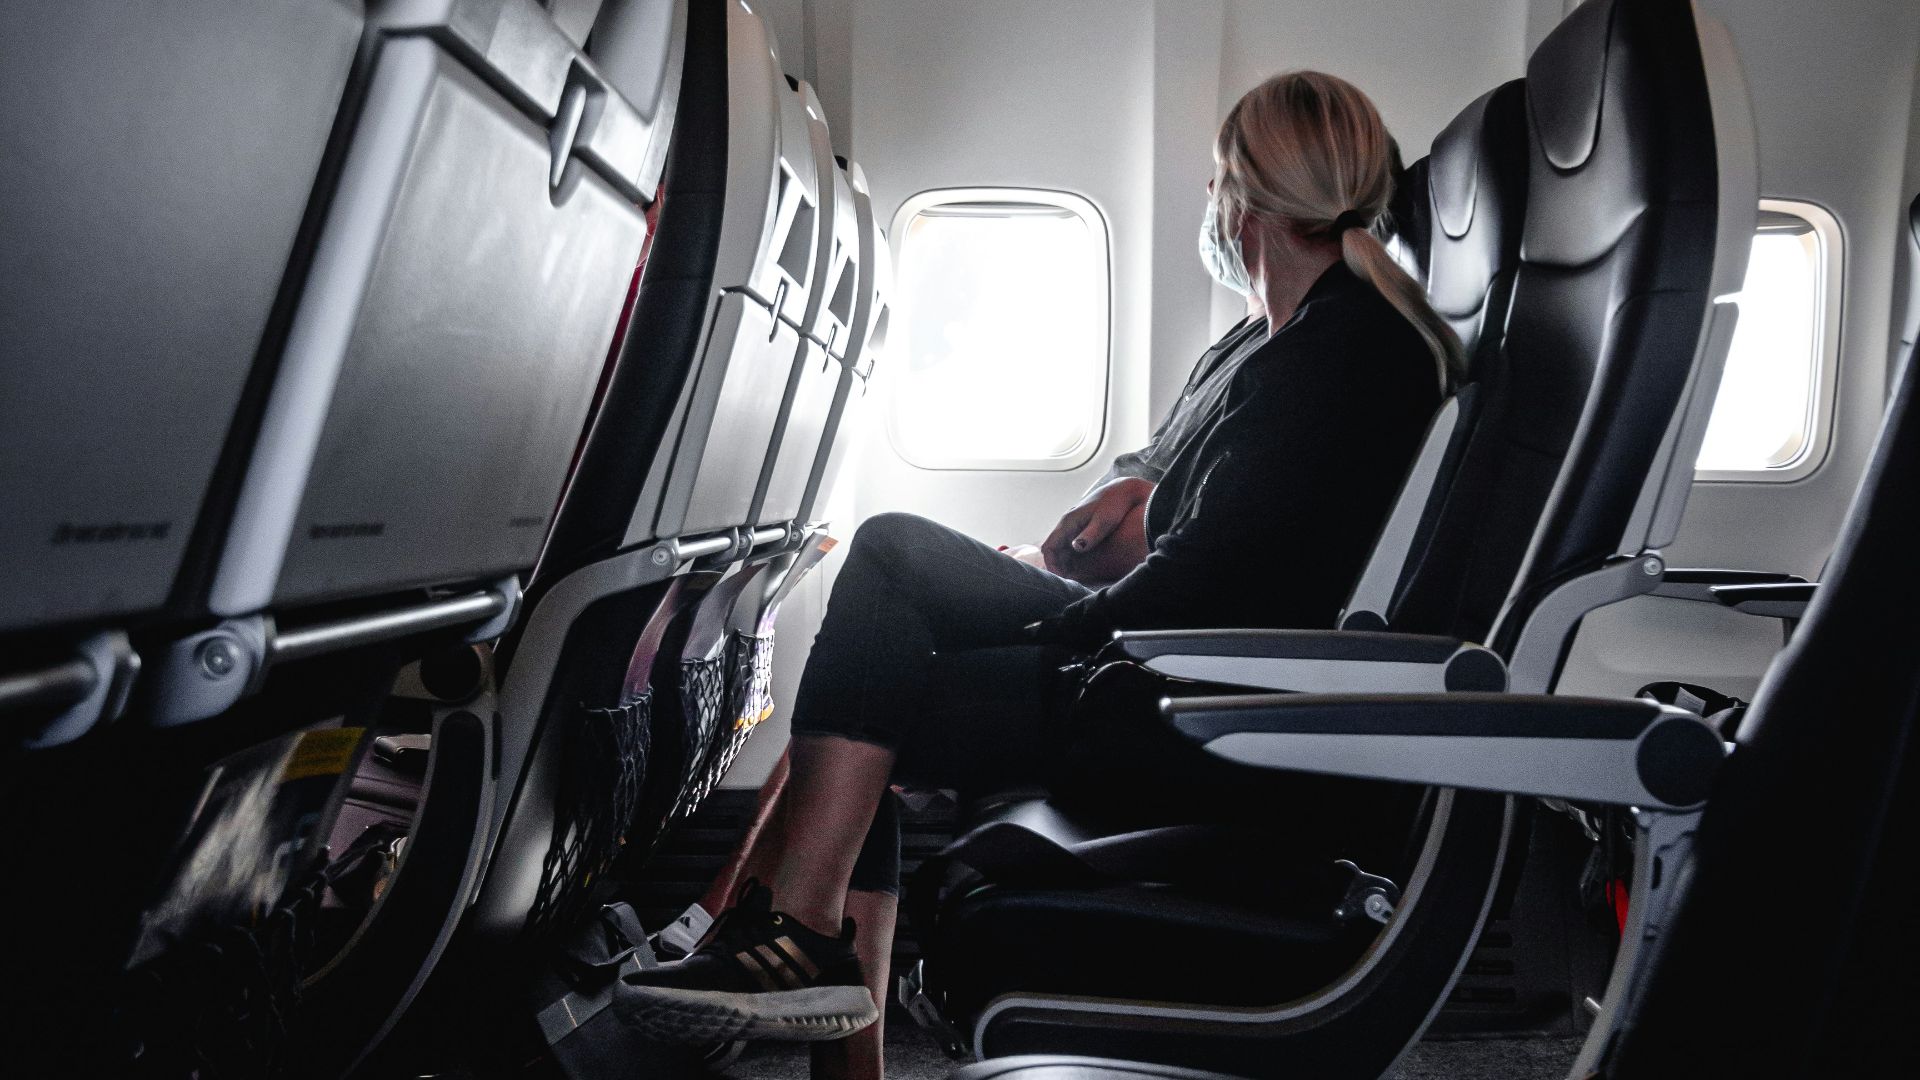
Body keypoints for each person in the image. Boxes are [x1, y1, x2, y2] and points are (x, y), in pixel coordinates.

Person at [620, 71, 1465, 1080]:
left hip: (1201, 701)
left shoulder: (1349, 353)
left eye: (1211, 186)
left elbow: (1219, 580)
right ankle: (801, 961)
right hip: (1173, 666)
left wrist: (1052, 627)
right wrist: (1113, 502)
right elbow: (1191, 473)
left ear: (1243, 200)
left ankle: (792, 935)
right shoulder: (1272, 339)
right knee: (868, 689)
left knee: (885, 581)